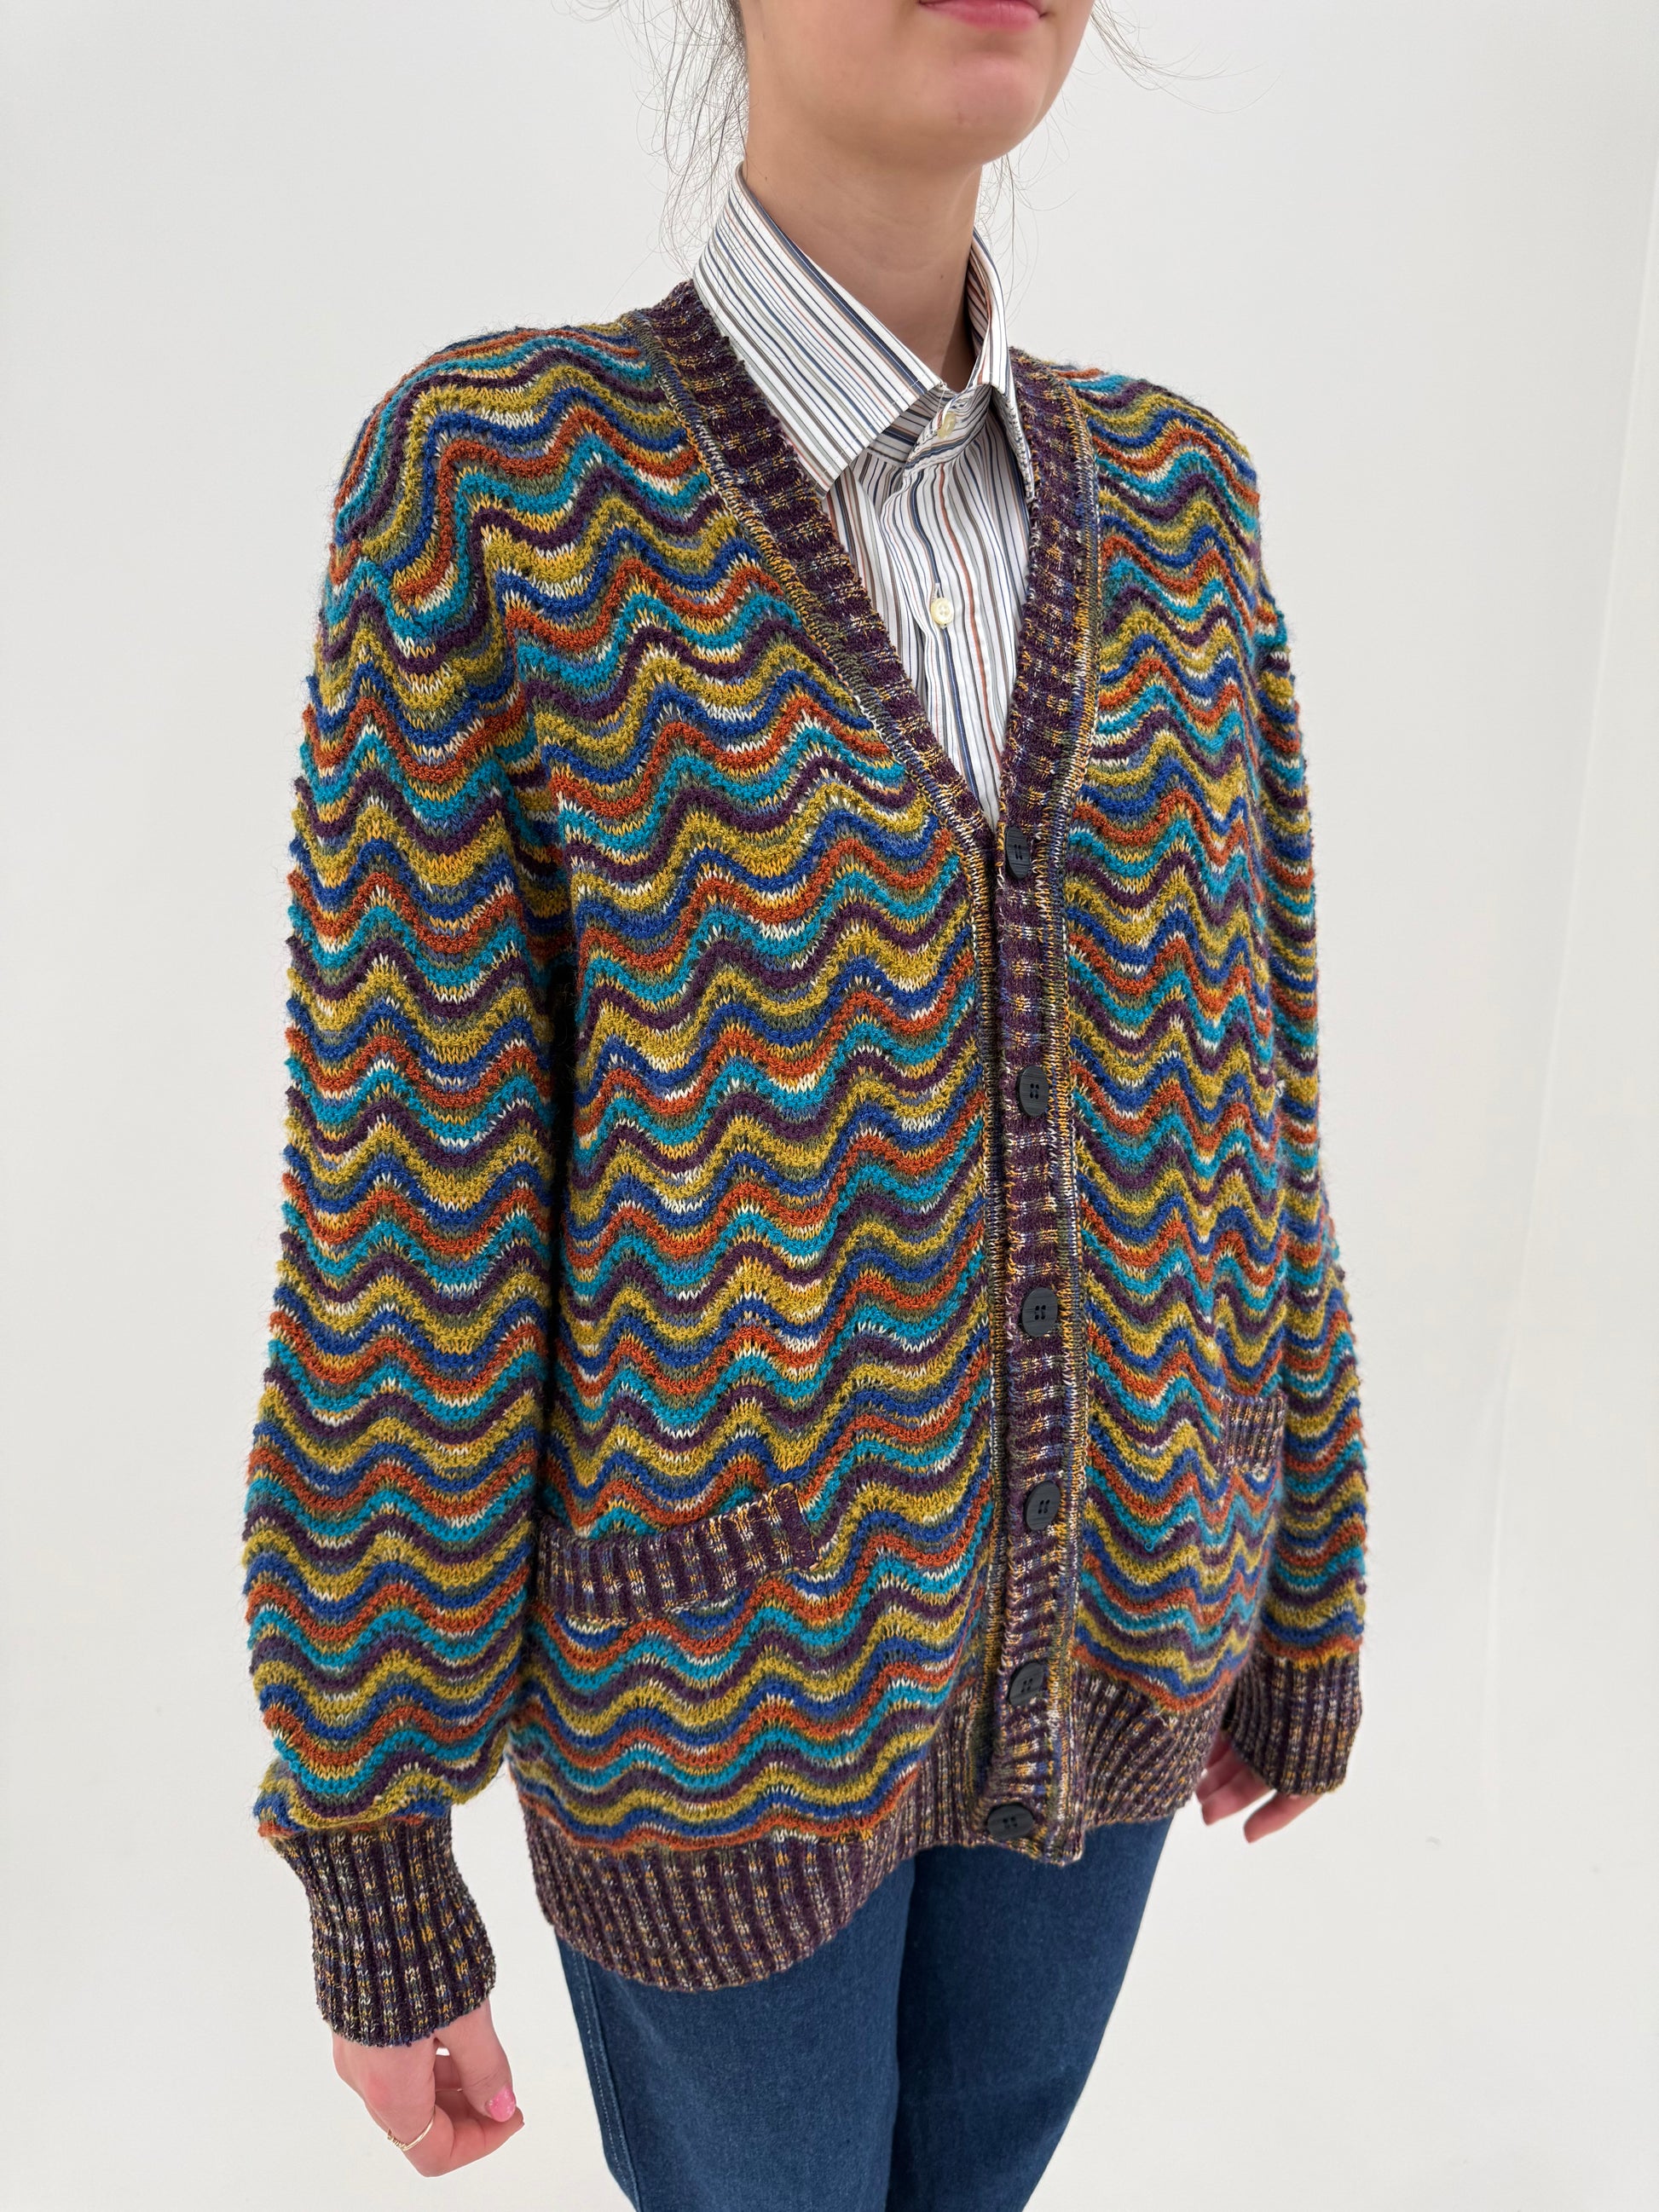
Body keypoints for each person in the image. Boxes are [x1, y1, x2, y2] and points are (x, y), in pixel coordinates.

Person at [240, 1, 1370, 2203]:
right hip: (708, 1706)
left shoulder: (1180, 498)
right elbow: (410, 1218)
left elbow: (1255, 1102)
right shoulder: (505, 491)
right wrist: (374, 1843)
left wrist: (1303, 1567)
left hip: (1128, 1640)